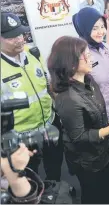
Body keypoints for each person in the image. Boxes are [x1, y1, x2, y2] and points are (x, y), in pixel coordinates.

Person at [48, 36, 109, 204]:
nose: (90, 58)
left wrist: (108, 123)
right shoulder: (67, 98)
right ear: (71, 62)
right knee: (95, 197)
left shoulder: (89, 80)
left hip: (104, 153)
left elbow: (95, 114)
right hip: (88, 162)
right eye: (85, 55)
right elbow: (79, 137)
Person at [1, 12, 63, 182]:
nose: (20, 39)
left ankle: (55, 192)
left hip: (49, 124)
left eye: (20, 33)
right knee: (28, 175)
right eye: (12, 36)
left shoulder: (33, 53)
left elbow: (47, 84)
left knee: (55, 165)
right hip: (21, 135)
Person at [72, 7, 109, 121]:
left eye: (102, 27)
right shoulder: (79, 55)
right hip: (93, 117)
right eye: (94, 28)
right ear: (84, 29)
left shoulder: (107, 49)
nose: (101, 32)